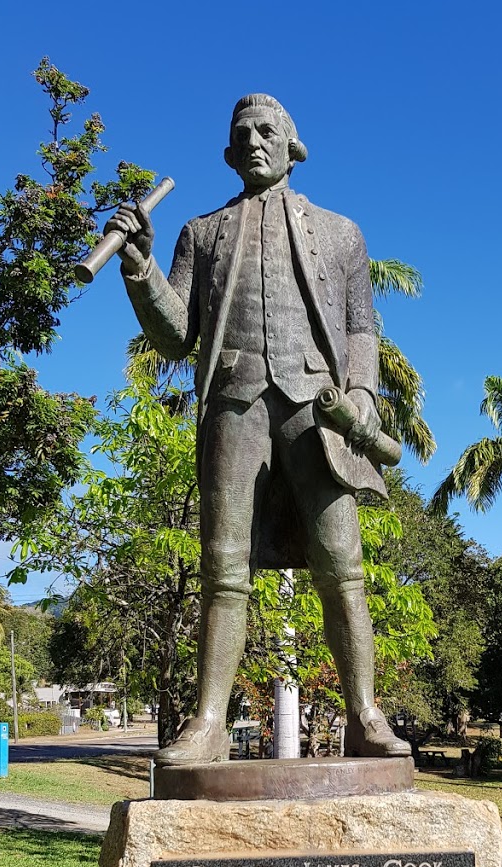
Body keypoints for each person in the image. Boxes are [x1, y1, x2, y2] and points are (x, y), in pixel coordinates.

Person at [105, 94, 410, 766]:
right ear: (227, 152)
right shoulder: (200, 233)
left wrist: (361, 392)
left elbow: (363, 327)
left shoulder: (341, 233)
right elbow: (176, 334)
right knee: (223, 568)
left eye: (266, 130)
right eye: (240, 133)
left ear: (292, 145)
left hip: (316, 410)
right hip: (233, 405)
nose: (253, 140)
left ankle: (364, 713)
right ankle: (209, 721)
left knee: (343, 567)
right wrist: (139, 267)